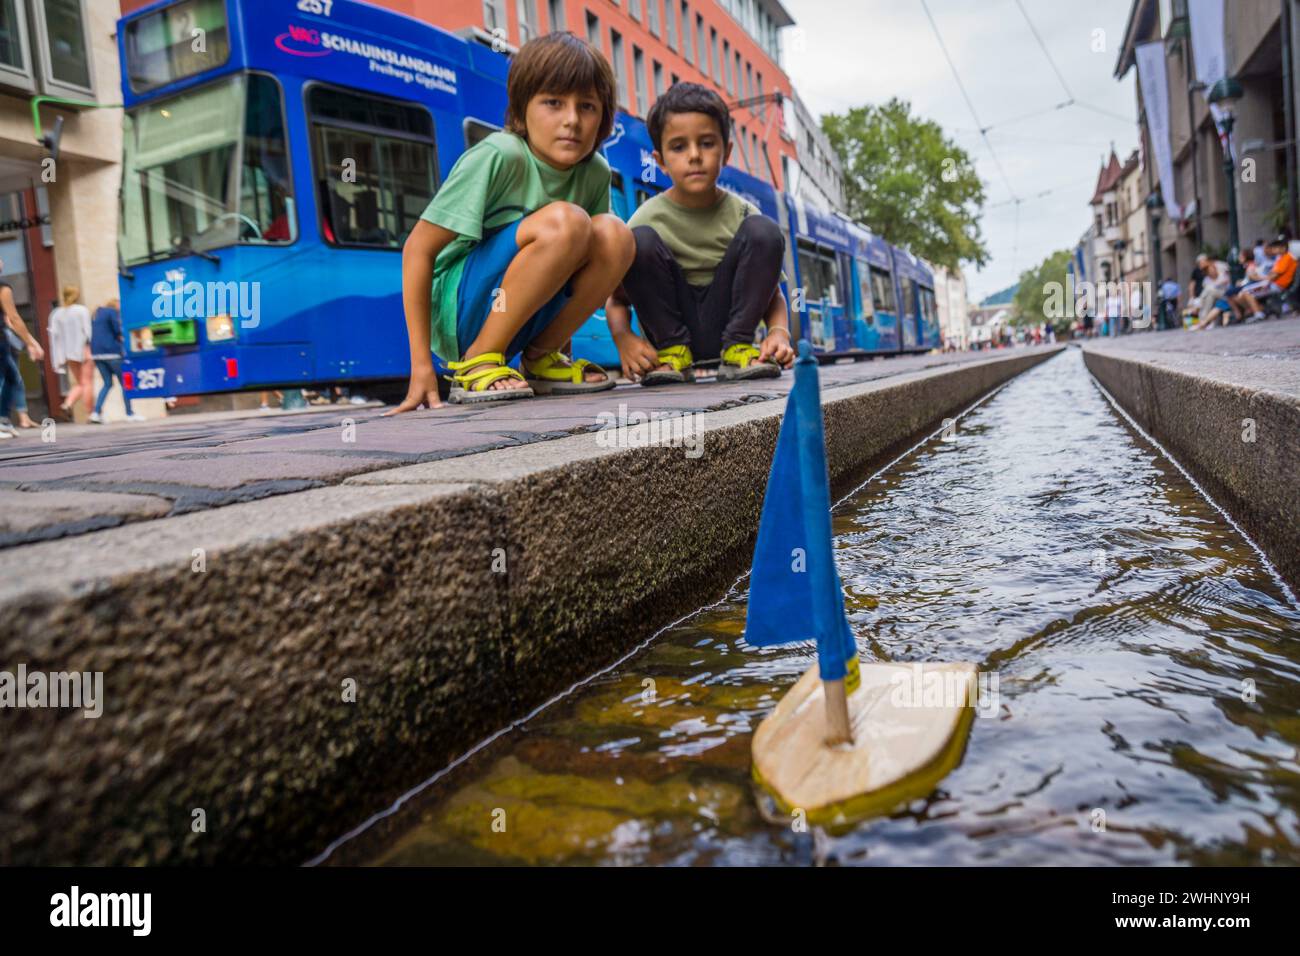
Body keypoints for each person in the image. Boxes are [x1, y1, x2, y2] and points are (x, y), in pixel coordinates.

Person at [387, 31, 632, 410]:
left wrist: (562, 351)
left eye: (587, 106)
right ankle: (477, 359)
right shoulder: (500, 155)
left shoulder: (595, 172)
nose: (572, 120)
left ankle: (542, 357)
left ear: (602, 119)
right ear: (520, 111)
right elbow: (418, 248)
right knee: (567, 222)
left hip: (527, 315)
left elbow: (572, 264)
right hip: (464, 309)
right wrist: (420, 366)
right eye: (553, 102)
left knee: (615, 234)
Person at [603, 82, 794, 384]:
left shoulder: (745, 215)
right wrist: (624, 340)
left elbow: (774, 294)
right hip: (671, 335)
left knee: (765, 231)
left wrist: (779, 333)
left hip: (733, 330)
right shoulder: (646, 218)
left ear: (726, 152)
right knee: (638, 239)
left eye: (706, 143)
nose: (694, 155)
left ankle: (737, 350)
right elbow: (616, 300)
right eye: (679, 147)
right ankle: (674, 355)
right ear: (661, 161)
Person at [0, 261, 46, 437]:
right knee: (12, 378)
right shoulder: (3, 288)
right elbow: (13, 318)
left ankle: (3, 421)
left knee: (12, 378)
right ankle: (2, 420)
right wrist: (31, 343)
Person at [89, 297, 141, 423]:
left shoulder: (97, 314)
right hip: (112, 353)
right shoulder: (111, 312)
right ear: (116, 305)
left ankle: (95, 413)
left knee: (107, 383)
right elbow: (118, 330)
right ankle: (129, 414)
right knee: (125, 383)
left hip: (97, 354)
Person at [48, 285, 93, 417]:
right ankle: (92, 413)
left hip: (68, 353)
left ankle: (67, 404)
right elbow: (88, 332)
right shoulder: (81, 310)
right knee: (87, 382)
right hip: (84, 349)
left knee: (80, 382)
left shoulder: (56, 314)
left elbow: (54, 336)